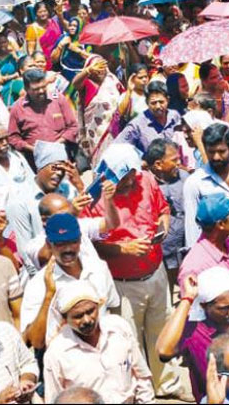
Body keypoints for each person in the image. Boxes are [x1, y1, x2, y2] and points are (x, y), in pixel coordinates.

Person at [80, 143, 177, 397]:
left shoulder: (145, 180)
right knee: (128, 341)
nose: (130, 182)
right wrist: (124, 249)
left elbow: (163, 210)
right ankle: (140, 394)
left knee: (162, 331)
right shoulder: (94, 197)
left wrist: (163, 227)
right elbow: (92, 245)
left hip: (155, 273)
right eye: (123, 179)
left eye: (132, 175)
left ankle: (167, 385)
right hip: (122, 283)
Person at [156, 267, 229, 402]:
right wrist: (188, 298)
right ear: (203, 306)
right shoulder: (192, 329)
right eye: (223, 308)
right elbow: (164, 351)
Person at [43, 280, 154, 404]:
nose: (86, 320)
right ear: (64, 318)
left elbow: (141, 375)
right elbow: (54, 398)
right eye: (78, 316)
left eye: (90, 311)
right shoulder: (56, 353)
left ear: (98, 306)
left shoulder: (119, 327)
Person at [20, 213, 120, 350]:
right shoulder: (38, 285)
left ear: (80, 240)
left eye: (72, 242)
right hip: (64, 363)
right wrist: (49, 295)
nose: (68, 249)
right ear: (49, 244)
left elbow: (114, 308)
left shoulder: (98, 268)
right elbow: (36, 342)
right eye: (60, 244)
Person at [6, 140, 84, 263]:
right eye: (54, 167)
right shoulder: (19, 201)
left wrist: (80, 187)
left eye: (62, 169)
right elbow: (25, 253)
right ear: (40, 166)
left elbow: (87, 225)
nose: (59, 173)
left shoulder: (67, 190)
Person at [184, 123, 229, 248]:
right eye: (211, 152)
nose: (216, 157)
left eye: (221, 151)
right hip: (219, 252)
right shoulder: (195, 182)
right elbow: (193, 226)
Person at [8, 68, 79, 165]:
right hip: (34, 160)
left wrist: (56, 144)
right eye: (36, 89)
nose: (41, 91)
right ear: (26, 89)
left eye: (43, 87)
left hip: (62, 156)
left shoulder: (58, 99)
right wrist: (34, 149)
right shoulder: (17, 108)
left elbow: (73, 126)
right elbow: (13, 138)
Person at [144, 138, 189, 289]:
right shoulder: (145, 184)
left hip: (186, 244)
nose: (178, 163)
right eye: (174, 160)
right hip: (163, 251)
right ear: (158, 164)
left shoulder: (185, 178)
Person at [116, 80, 184, 154]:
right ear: (147, 103)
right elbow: (117, 148)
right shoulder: (137, 125)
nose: (158, 106)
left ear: (168, 100)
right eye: (153, 103)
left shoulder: (175, 116)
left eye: (161, 102)